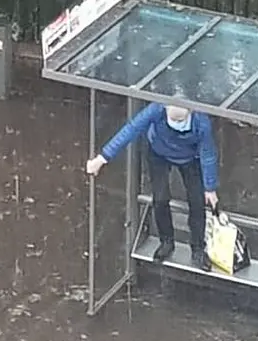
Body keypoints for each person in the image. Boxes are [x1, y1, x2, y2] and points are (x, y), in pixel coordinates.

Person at [86, 103, 219, 271]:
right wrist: (102, 158)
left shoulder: (201, 122)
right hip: (159, 153)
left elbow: (208, 153)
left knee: (197, 202)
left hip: (190, 158)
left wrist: (210, 188)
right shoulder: (157, 109)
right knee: (160, 198)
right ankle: (166, 242)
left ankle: (198, 249)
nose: (177, 125)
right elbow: (131, 130)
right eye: (173, 120)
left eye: (180, 121)